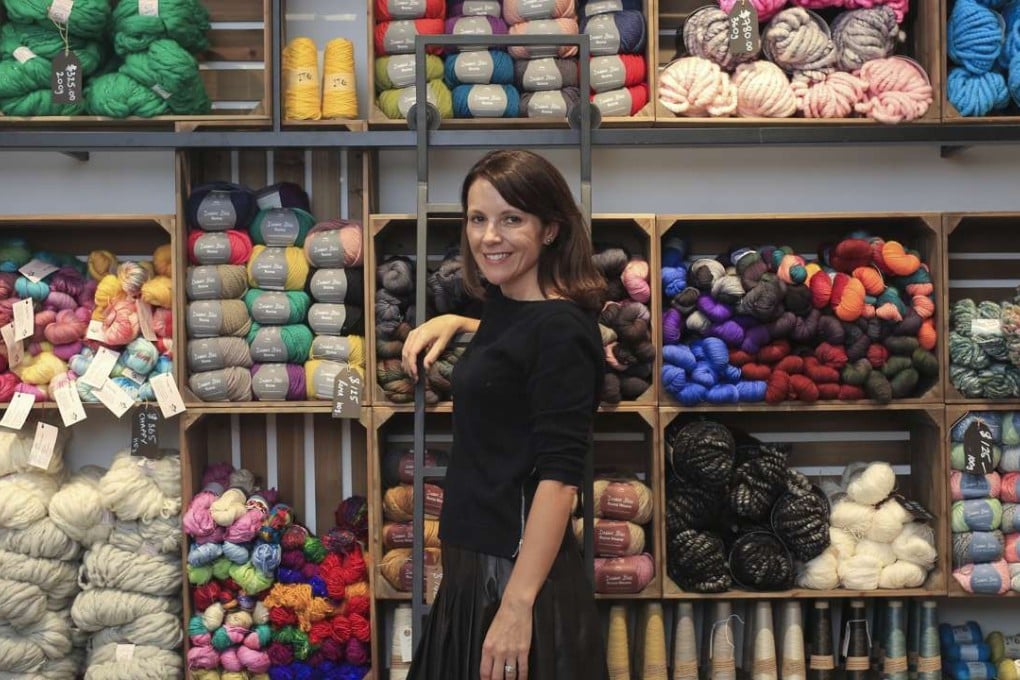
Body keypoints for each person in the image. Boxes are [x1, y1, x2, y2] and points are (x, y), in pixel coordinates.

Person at [402, 149, 610, 680]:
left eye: (511, 219)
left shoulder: (563, 330)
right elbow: (518, 349)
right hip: (475, 565)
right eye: (478, 219)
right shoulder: (505, 306)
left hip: (510, 576)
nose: (489, 236)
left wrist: (517, 605)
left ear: (550, 230)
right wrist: (456, 320)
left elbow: (560, 480)